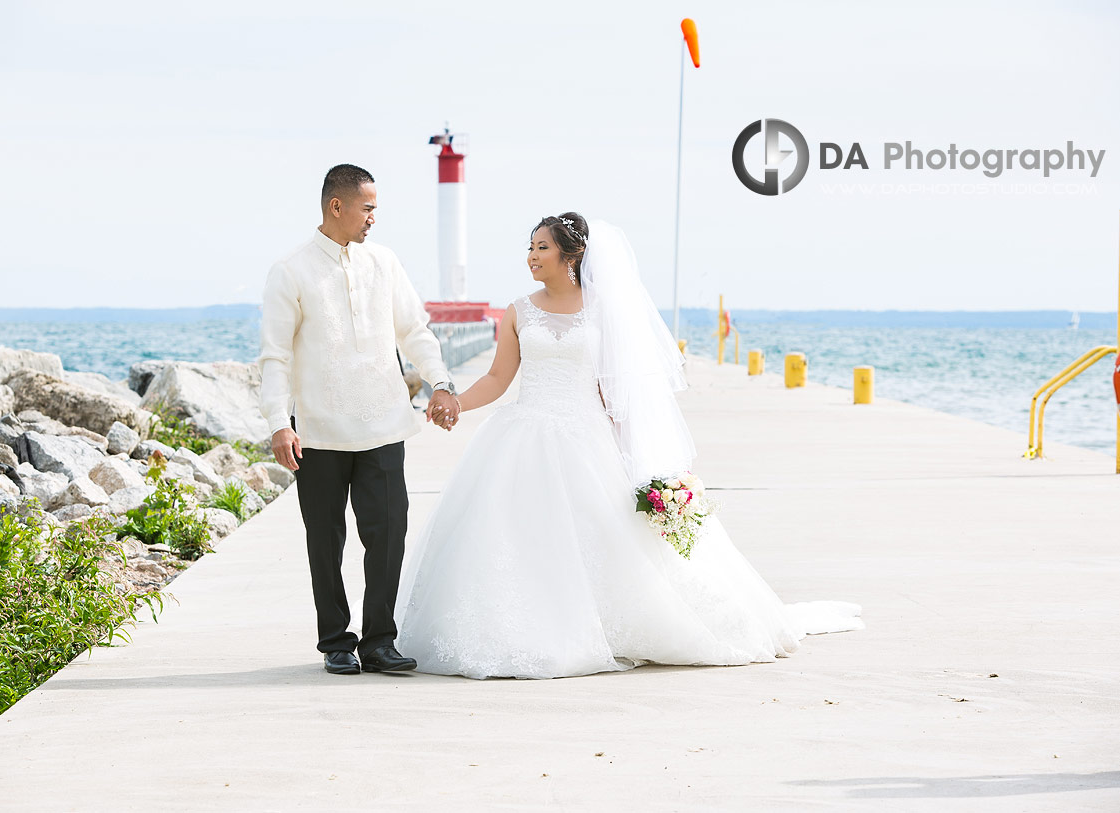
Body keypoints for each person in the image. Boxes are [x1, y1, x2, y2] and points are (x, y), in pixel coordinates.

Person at [396, 213, 863, 679]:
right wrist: (457, 402)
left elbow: (618, 391)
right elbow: (499, 378)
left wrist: (641, 461)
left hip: (586, 437)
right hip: (523, 435)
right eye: (531, 247)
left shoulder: (604, 307)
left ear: (571, 255)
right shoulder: (519, 310)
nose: (532, 256)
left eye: (542, 248)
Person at [258, 164, 462, 676]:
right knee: (325, 541)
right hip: (319, 434)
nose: (374, 217)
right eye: (368, 207)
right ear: (337, 207)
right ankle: (336, 642)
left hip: (385, 426)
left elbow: (414, 329)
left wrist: (440, 381)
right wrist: (279, 422)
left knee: (389, 535)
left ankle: (379, 640)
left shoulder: (385, 262)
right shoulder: (291, 271)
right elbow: (275, 356)